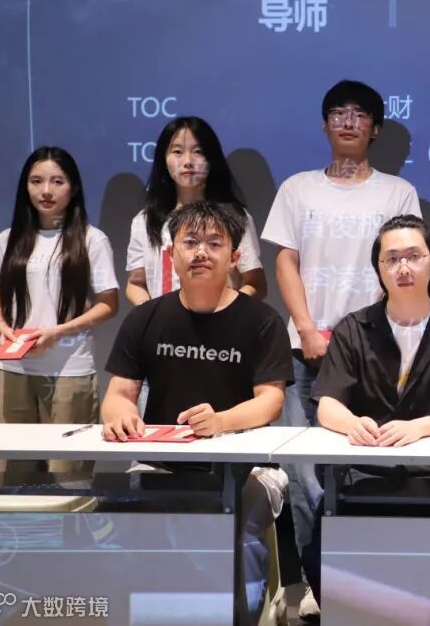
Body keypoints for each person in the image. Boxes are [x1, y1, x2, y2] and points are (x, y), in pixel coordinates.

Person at [261, 78, 421, 620]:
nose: (348, 122)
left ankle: (359, 580)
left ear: (375, 128)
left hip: (373, 352)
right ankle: (312, 581)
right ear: (325, 123)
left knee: (365, 466)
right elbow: (286, 261)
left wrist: (362, 335)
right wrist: (307, 329)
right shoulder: (298, 188)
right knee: (302, 474)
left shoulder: (397, 192)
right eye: (338, 113)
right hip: (304, 349)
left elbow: (400, 264)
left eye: (359, 114)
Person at [101, 201, 292, 626]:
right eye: (190, 242)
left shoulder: (262, 321)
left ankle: (240, 618)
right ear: (172, 254)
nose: (201, 252)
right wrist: (119, 414)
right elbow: (118, 393)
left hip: (247, 467)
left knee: (238, 525)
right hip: (161, 463)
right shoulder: (147, 317)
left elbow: (271, 401)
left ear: (234, 257)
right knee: (122, 523)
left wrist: (222, 422)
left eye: (214, 243)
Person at [309, 215, 430, 602]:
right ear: (378, 268)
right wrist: (352, 424)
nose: (403, 268)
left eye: (414, 256)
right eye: (392, 259)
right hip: (368, 471)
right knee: (320, 542)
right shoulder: (354, 328)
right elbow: (327, 404)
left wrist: (418, 428)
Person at [0, 146, 119, 477]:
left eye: (57, 181)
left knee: (67, 471)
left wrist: (58, 332)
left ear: (73, 188)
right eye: (36, 181)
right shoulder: (7, 240)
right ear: (25, 187)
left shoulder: (92, 240)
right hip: (13, 368)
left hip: (69, 368)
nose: (46, 191)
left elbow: (108, 304)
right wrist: (3, 328)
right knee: (15, 469)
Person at [125, 115, 265, 306]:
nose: (188, 161)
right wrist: (151, 312)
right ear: (163, 159)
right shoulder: (145, 220)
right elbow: (135, 283)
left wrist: (227, 312)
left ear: (212, 158)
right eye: (177, 151)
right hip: (163, 322)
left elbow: (255, 283)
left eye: (198, 151)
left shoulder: (235, 216)